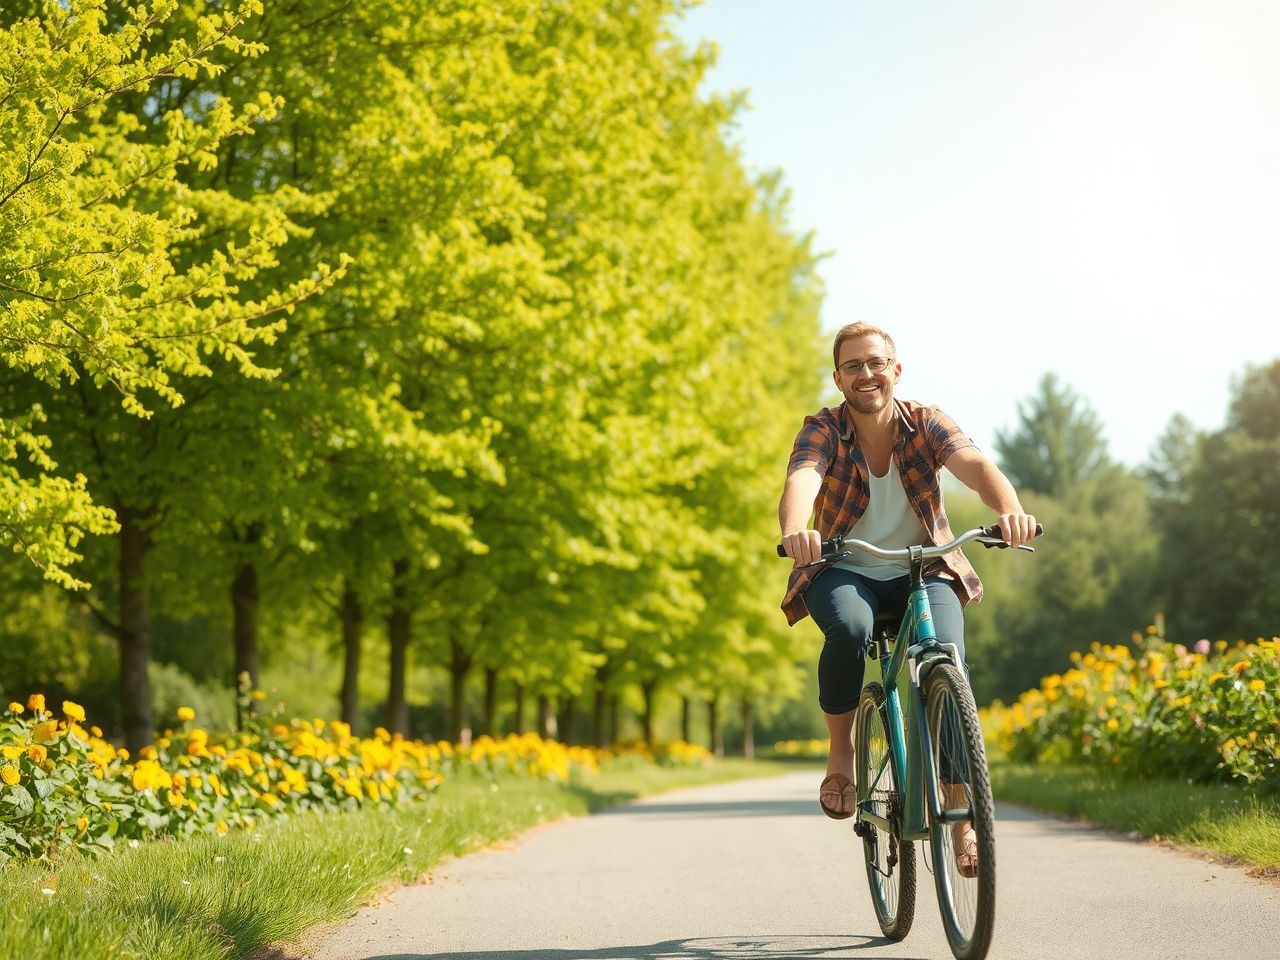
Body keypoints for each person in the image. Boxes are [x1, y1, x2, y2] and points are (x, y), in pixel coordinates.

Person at [778, 321, 1036, 874]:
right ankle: (842, 751)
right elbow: (803, 477)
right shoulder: (824, 428)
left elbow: (975, 465)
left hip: (925, 567)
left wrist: (1008, 509)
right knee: (850, 629)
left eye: (876, 363)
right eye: (853, 366)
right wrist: (797, 529)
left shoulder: (926, 422)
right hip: (844, 567)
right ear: (838, 378)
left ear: (895, 370)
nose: (866, 374)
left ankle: (962, 821)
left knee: (947, 661)